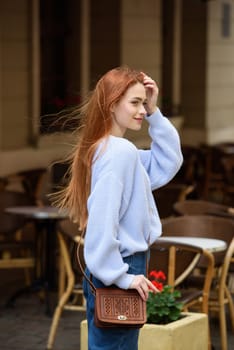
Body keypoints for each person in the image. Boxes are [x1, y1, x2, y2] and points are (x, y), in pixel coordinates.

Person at [55, 66, 183, 349]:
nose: (141, 110)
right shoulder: (119, 153)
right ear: (112, 105)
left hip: (113, 267)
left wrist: (154, 110)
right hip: (122, 265)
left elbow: (168, 162)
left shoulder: (106, 148)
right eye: (135, 103)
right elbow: (102, 221)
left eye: (143, 102)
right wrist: (121, 276)